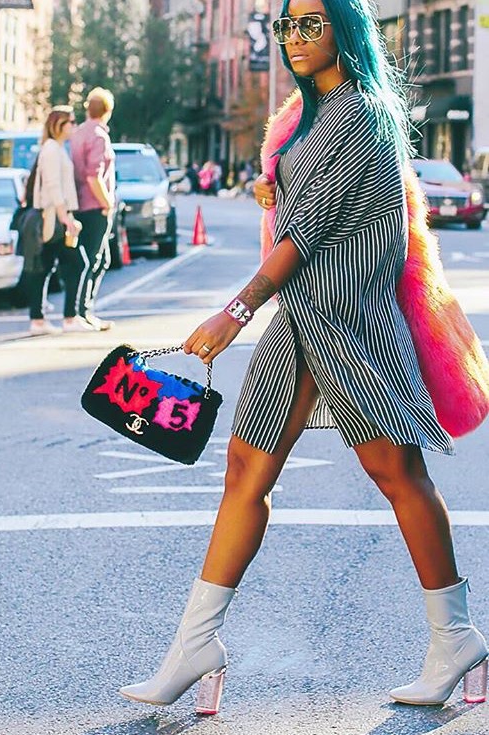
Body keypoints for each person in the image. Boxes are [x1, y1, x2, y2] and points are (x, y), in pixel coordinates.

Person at [119, 0, 487, 715]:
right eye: (288, 24)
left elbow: (310, 231)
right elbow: (310, 205)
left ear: (345, 29)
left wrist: (235, 310)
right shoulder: (313, 115)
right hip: (299, 320)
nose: (294, 36)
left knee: (398, 473)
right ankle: (196, 645)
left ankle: (456, 636)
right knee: (244, 470)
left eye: (311, 23)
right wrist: (276, 187)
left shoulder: (362, 113)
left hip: (349, 320)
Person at [23, 106, 87, 335]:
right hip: (53, 217)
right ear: (58, 125)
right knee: (76, 264)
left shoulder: (55, 148)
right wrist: (65, 217)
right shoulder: (51, 149)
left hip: (54, 216)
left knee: (44, 266)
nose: (74, 125)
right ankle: (69, 318)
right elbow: (52, 185)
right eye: (71, 122)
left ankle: (38, 320)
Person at [70, 87, 116, 331]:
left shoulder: (77, 133)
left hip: (78, 204)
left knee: (99, 259)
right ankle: (83, 311)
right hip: (95, 206)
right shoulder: (99, 136)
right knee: (94, 260)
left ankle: (85, 310)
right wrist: (107, 202)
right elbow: (93, 175)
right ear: (108, 111)